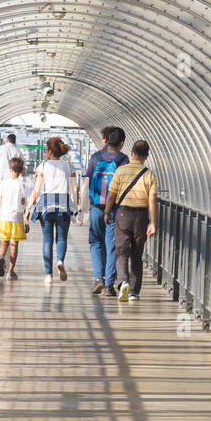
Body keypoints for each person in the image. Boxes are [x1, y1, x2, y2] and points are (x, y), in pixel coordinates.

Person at [102, 139, 158, 302]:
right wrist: (153, 223)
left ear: (132, 153)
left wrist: (107, 212)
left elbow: (111, 194)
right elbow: (152, 200)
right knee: (137, 254)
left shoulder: (121, 171)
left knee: (121, 251)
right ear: (146, 156)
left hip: (122, 214)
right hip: (141, 216)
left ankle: (123, 281)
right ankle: (133, 291)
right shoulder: (149, 174)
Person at [25, 136, 80, 284]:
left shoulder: (43, 166)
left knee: (47, 240)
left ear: (49, 151)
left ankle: (48, 275)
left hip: (46, 205)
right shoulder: (69, 167)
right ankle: (60, 261)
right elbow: (75, 190)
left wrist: (28, 209)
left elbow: (36, 190)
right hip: (64, 204)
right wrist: (78, 208)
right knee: (62, 238)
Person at [82, 126, 129, 296]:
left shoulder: (96, 157)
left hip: (96, 207)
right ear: (121, 143)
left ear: (107, 140)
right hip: (115, 209)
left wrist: (82, 207)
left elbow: (86, 182)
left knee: (95, 243)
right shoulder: (123, 160)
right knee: (111, 246)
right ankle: (109, 285)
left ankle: (98, 279)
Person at [0, 156, 31, 279]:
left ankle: (2, 258)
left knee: (4, 242)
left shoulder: (4, 183)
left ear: (10, 169)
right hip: (17, 217)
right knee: (14, 244)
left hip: (4, 216)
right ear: (21, 170)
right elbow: (24, 203)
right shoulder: (22, 184)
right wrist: (26, 219)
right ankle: (10, 271)